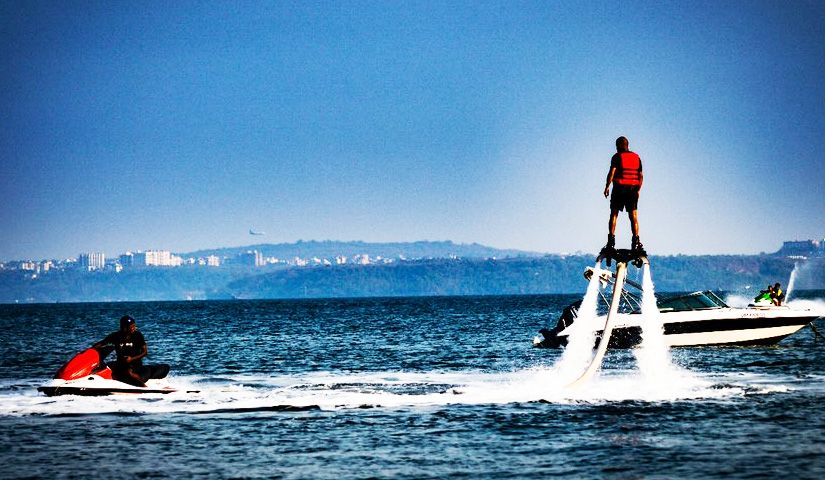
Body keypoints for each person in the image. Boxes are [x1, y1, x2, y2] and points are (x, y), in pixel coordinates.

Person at [603, 136, 644, 252]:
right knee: (634, 217)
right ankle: (636, 242)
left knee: (614, 214)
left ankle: (611, 241)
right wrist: (638, 189)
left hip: (619, 189)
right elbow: (641, 176)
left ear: (618, 146)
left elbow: (612, 172)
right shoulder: (637, 157)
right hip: (633, 190)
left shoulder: (616, 157)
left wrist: (607, 186)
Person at [93, 315, 150, 387]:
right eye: (131, 326)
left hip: (135, 363)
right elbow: (102, 343)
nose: (133, 328)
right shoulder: (116, 336)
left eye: (134, 326)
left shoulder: (137, 335)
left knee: (128, 372)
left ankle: (143, 386)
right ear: (124, 327)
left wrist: (131, 359)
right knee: (103, 367)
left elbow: (145, 352)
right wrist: (90, 350)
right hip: (120, 363)